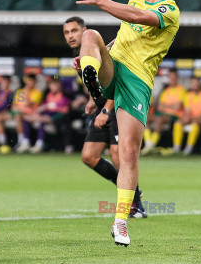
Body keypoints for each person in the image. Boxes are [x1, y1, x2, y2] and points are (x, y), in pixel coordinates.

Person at [71, 0, 180, 245]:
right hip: (114, 68)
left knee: (129, 153)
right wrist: (92, 56)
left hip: (137, 82)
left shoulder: (169, 10)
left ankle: (121, 221)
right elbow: (120, 39)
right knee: (90, 36)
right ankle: (92, 79)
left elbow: (136, 17)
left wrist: (98, 0)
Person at [63, 16, 146, 218]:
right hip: (102, 108)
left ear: (85, 30)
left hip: (118, 106)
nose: (70, 36)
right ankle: (132, 190)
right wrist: (93, 101)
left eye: (74, 31)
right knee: (89, 157)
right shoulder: (79, 55)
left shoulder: (101, 50)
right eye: (66, 33)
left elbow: (116, 82)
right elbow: (98, 84)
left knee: (120, 157)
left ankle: (135, 203)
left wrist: (106, 110)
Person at [142, 69, 186, 155]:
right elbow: (159, 107)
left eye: (173, 77)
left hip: (174, 115)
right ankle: (148, 145)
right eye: (170, 77)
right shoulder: (165, 91)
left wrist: (165, 106)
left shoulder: (182, 90)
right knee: (145, 118)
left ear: (177, 78)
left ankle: (150, 145)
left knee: (159, 119)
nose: (171, 79)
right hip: (162, 114)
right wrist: (171, 105)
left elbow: (177, 107)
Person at [24, 76, 69, 153]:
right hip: (48, 114)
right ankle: (28, 143)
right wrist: (37, 111)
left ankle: (39, 144)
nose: (52, 86)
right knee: (28, 118)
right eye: (51, 84)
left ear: (58, 85)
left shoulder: (64, 93)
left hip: (59, 116)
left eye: (54, 84)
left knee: (42, 119)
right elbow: (43, 105)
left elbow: (61, 105)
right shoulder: (49, 94)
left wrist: (46, 107)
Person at [172, 77, 201, 155]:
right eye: (192, 83)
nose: (193, 85)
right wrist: (187, 118)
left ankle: (189, 148)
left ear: (199, 84)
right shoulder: (187, 95)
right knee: (178, 122)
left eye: (195, 83)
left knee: (195, 122)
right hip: (191, 117)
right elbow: (187, 110)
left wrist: (191, 118)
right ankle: (176, 147)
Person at [14, 74, 44, 153]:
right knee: (18, 115)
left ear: (35, 82)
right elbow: (14, 105)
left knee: (20, 116)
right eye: (28, 80)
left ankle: (23, 142)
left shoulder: (37, 92)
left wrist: (27, 91)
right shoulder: (20, 91)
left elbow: (28, 103)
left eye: (32, 81)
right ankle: (22, 141)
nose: (30, 82)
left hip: (32, 113)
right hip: (21, 113)